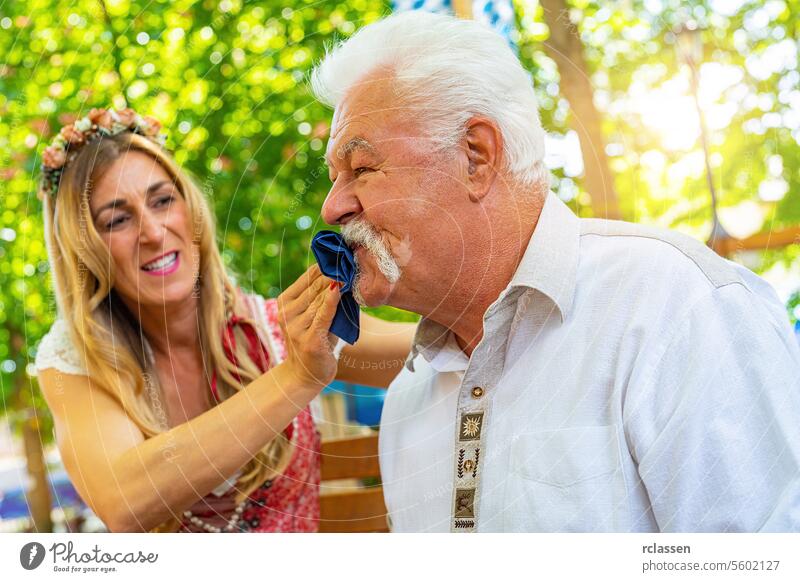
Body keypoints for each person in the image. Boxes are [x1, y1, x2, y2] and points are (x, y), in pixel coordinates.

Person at [303, 11, 800, 532]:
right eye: (336, 177)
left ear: (475, 156)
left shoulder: (675, 308)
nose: (332, 208)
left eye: (361, 169)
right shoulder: (408, 395)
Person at [34, 107, 415, 533]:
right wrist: (296, 377)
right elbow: (124, 502)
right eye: (117, 219)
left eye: (162, 200)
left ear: (190, 210)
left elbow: (424, 350)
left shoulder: (279, 329)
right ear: (83, 248)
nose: (154, 232)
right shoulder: (78, 360)